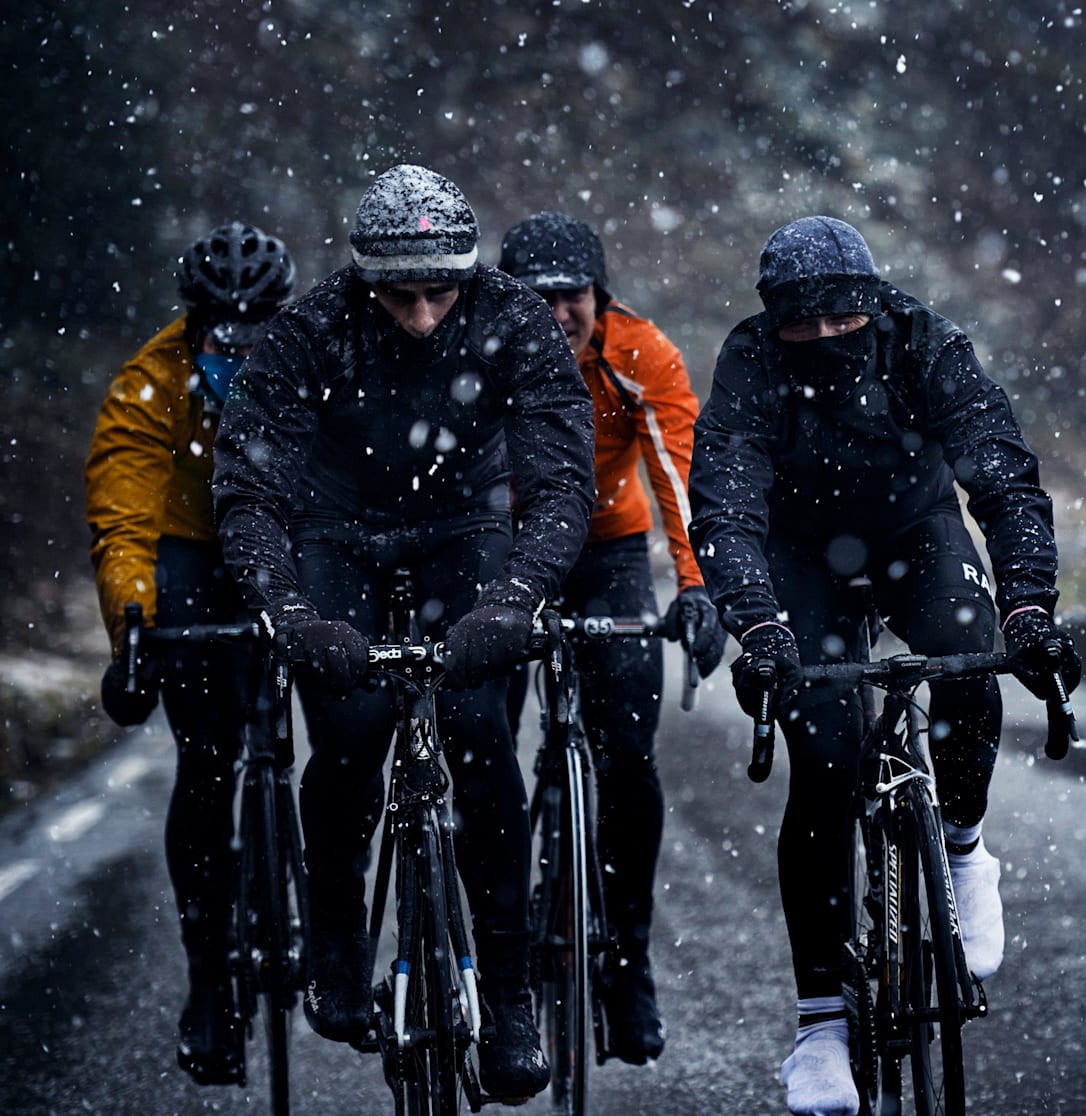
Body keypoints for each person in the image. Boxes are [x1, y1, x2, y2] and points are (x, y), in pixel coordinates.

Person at [212, 165, 595, 1103]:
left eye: (439, 294)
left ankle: (509, 999)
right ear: (361, 279)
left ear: (468, 275)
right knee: (344, 737)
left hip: (466, 527)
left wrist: (516, 598)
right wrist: (289, 610)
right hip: (335, 528)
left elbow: (558, 483)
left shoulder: (512, 318)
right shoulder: (306, 332)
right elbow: (249, 491)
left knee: (479, 735)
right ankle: (337, 942)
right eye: (399, 296)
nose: (422, 317)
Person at [688, 216, 1082, 1115]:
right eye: (804, 324)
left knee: (965, 658)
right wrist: (760, 627)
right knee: (824, 762)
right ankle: (822, 1024)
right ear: (772, 321)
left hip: (915, 532)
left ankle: (965, 845)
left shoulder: (928, 344)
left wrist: (1027, 605)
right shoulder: (748, 363)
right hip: (799, 553)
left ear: (874, 307)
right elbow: (724, 503)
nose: (826, 338)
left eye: (844, 321)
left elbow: (1004, 478)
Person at [496, 210, 726, 1063]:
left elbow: (678, 475)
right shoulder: (479, 352)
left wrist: (698, 590)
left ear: (602, 297)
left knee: (629, 753)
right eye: (539, 299)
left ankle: (628, 965)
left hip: (607, 548)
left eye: (574, 297)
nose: (559, 314)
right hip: (506, 546)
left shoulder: (640, 353)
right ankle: (504, 961)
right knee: (483, 746)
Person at [85, 220, 296, 1086]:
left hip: (289, 539)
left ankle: (326, 921)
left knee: (347, 737)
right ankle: (210, 978)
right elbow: (124, 517)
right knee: (206, 766)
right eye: (220, 333)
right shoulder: (152, 380)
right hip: (193, 552)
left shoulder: (319, 359)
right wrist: (134, 630)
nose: (236, 348)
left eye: (256, 330)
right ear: (192, 324)